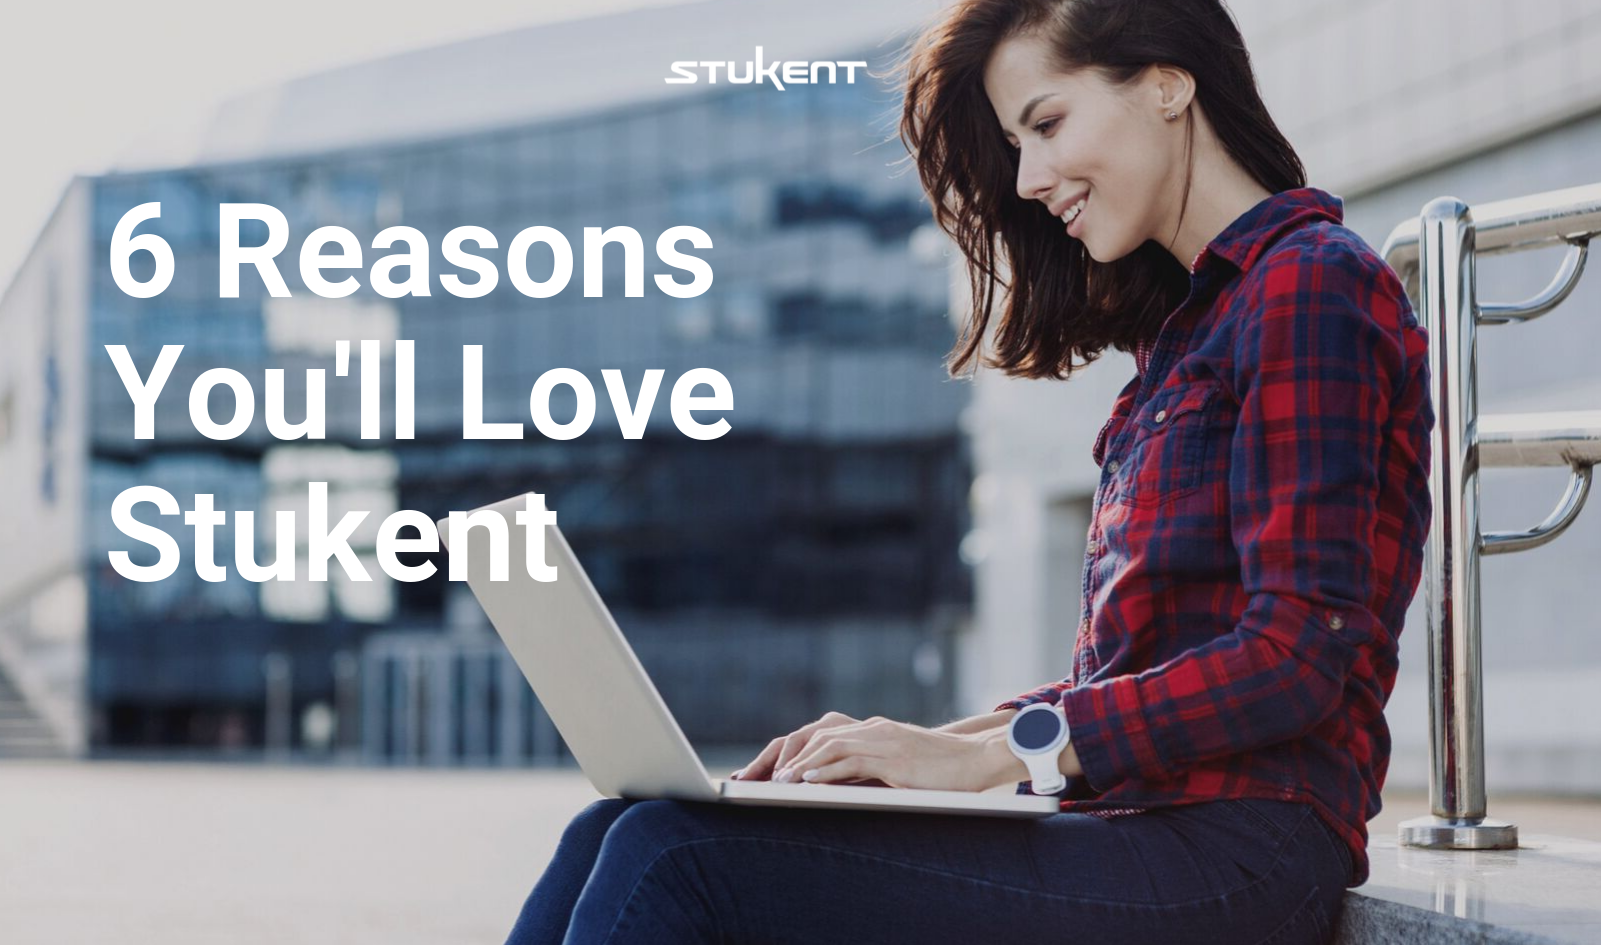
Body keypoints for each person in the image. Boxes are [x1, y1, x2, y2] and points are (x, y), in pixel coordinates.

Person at [504, 0, 1434, 941]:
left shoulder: (1313, 282)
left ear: (1167, 84)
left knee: (671, 852)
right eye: (1017, 144)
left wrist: (988, 763)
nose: (1029, 178)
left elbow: (1295, 656)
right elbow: (1126, 676)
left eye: (1047, 123)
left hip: (1241, 850)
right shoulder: (1181, 340)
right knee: (614, 826)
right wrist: (900, 748)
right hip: (1132, 827)